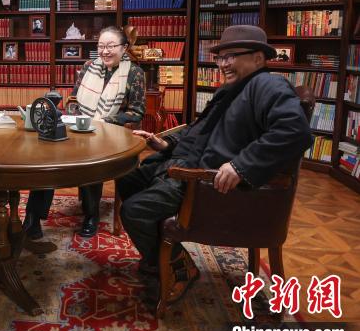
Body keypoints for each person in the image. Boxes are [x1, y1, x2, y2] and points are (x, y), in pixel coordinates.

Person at [119, 25, 312, 304]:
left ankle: (179, 266)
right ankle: (158, 253)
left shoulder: (268, 85)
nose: (223, 64)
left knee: (133, 211)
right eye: (221, 57)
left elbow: (295, 131)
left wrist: (241, 165)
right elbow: (199, 129)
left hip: (202, 181)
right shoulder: (231, 90)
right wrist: (166, 143)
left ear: (259, 57)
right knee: (127, 180)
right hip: (181, 162)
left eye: (231, 56)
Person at [23, 26, 145, 240]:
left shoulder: (135, 73)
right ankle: (33, 217)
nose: (105, 51)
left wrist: (103, 121)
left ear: (124, 48)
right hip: (80, 128)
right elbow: (73, 100)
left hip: (111, 135)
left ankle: (91, 215)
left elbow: (136, 112)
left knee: (91, 159)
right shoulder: (89, 66)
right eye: (101, 46)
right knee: (46, 158)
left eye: (111, 46)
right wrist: (74, 119)